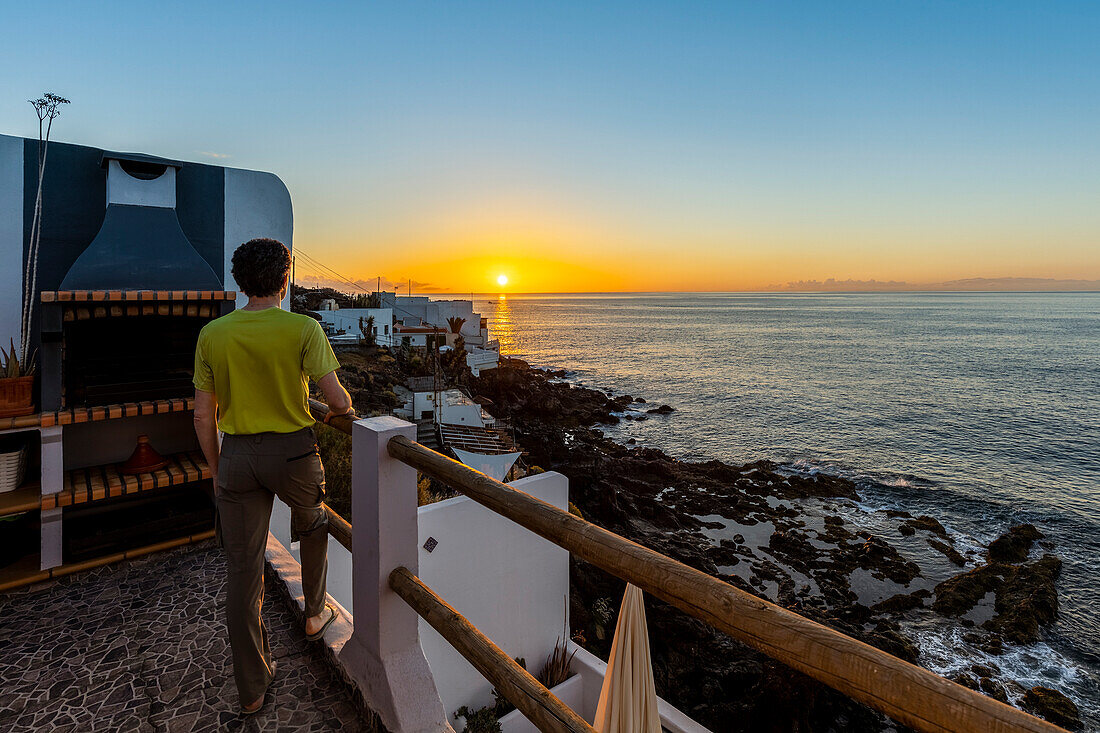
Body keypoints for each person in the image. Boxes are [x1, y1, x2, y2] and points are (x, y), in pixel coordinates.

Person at [192, 238, 354, 714]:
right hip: (294, 455)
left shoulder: (213, 335)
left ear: (241, 282)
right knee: (316, 522)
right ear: (285, 279)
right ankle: (314, 612)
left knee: (242, 573)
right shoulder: (303, 329)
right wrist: (338, 410)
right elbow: (339, 401)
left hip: (238, 456)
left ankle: (252, 688)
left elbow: (204, 418)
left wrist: (219, 469)